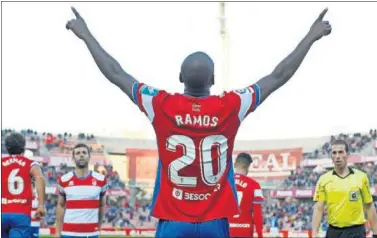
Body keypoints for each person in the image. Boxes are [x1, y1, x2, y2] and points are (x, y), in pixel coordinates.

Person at [66, 6, 331, 238]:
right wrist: (311, 36)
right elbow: (278, 76)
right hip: (215, 222)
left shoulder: (160, 105)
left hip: (174, 221)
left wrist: (86, 35)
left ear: (180, 77)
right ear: (213, 79)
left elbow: (115, 73)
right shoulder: (231, 106)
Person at [312, 139, 377, 238]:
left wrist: (376, 232)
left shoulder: (361, 177)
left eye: (341, 152)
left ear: (347, 154)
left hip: (356, 231)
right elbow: (319, 208)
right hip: (333, 232)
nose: (337, 156)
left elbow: (369, 205)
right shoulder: (323, 180)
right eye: (334, 153)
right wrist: (314, 233)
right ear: (331, 156)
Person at [55, 143, 108, 238]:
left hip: (91, 234)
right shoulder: (64, 180)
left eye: (84, 152)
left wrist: (99, 227)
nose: (81, 155)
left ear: (89, 156)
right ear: (73, 158)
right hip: (68, 234)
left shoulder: (101, 180)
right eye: (78, 153)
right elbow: (61, 205)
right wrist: (57, 232)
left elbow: (102, 205)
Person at [1, 133, 46, 238]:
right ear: (24, 147)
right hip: (21, 214)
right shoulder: (31, 163)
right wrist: (41, 205)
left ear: (7, 147)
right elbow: (39, 178)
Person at [229, 153, 264, 238]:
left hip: (227, 230)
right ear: (248, 167)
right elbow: (257, 213)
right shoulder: (255, 185)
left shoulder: (223, 183)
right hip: (245, 231)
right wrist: (260, 234)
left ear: (235, 164)